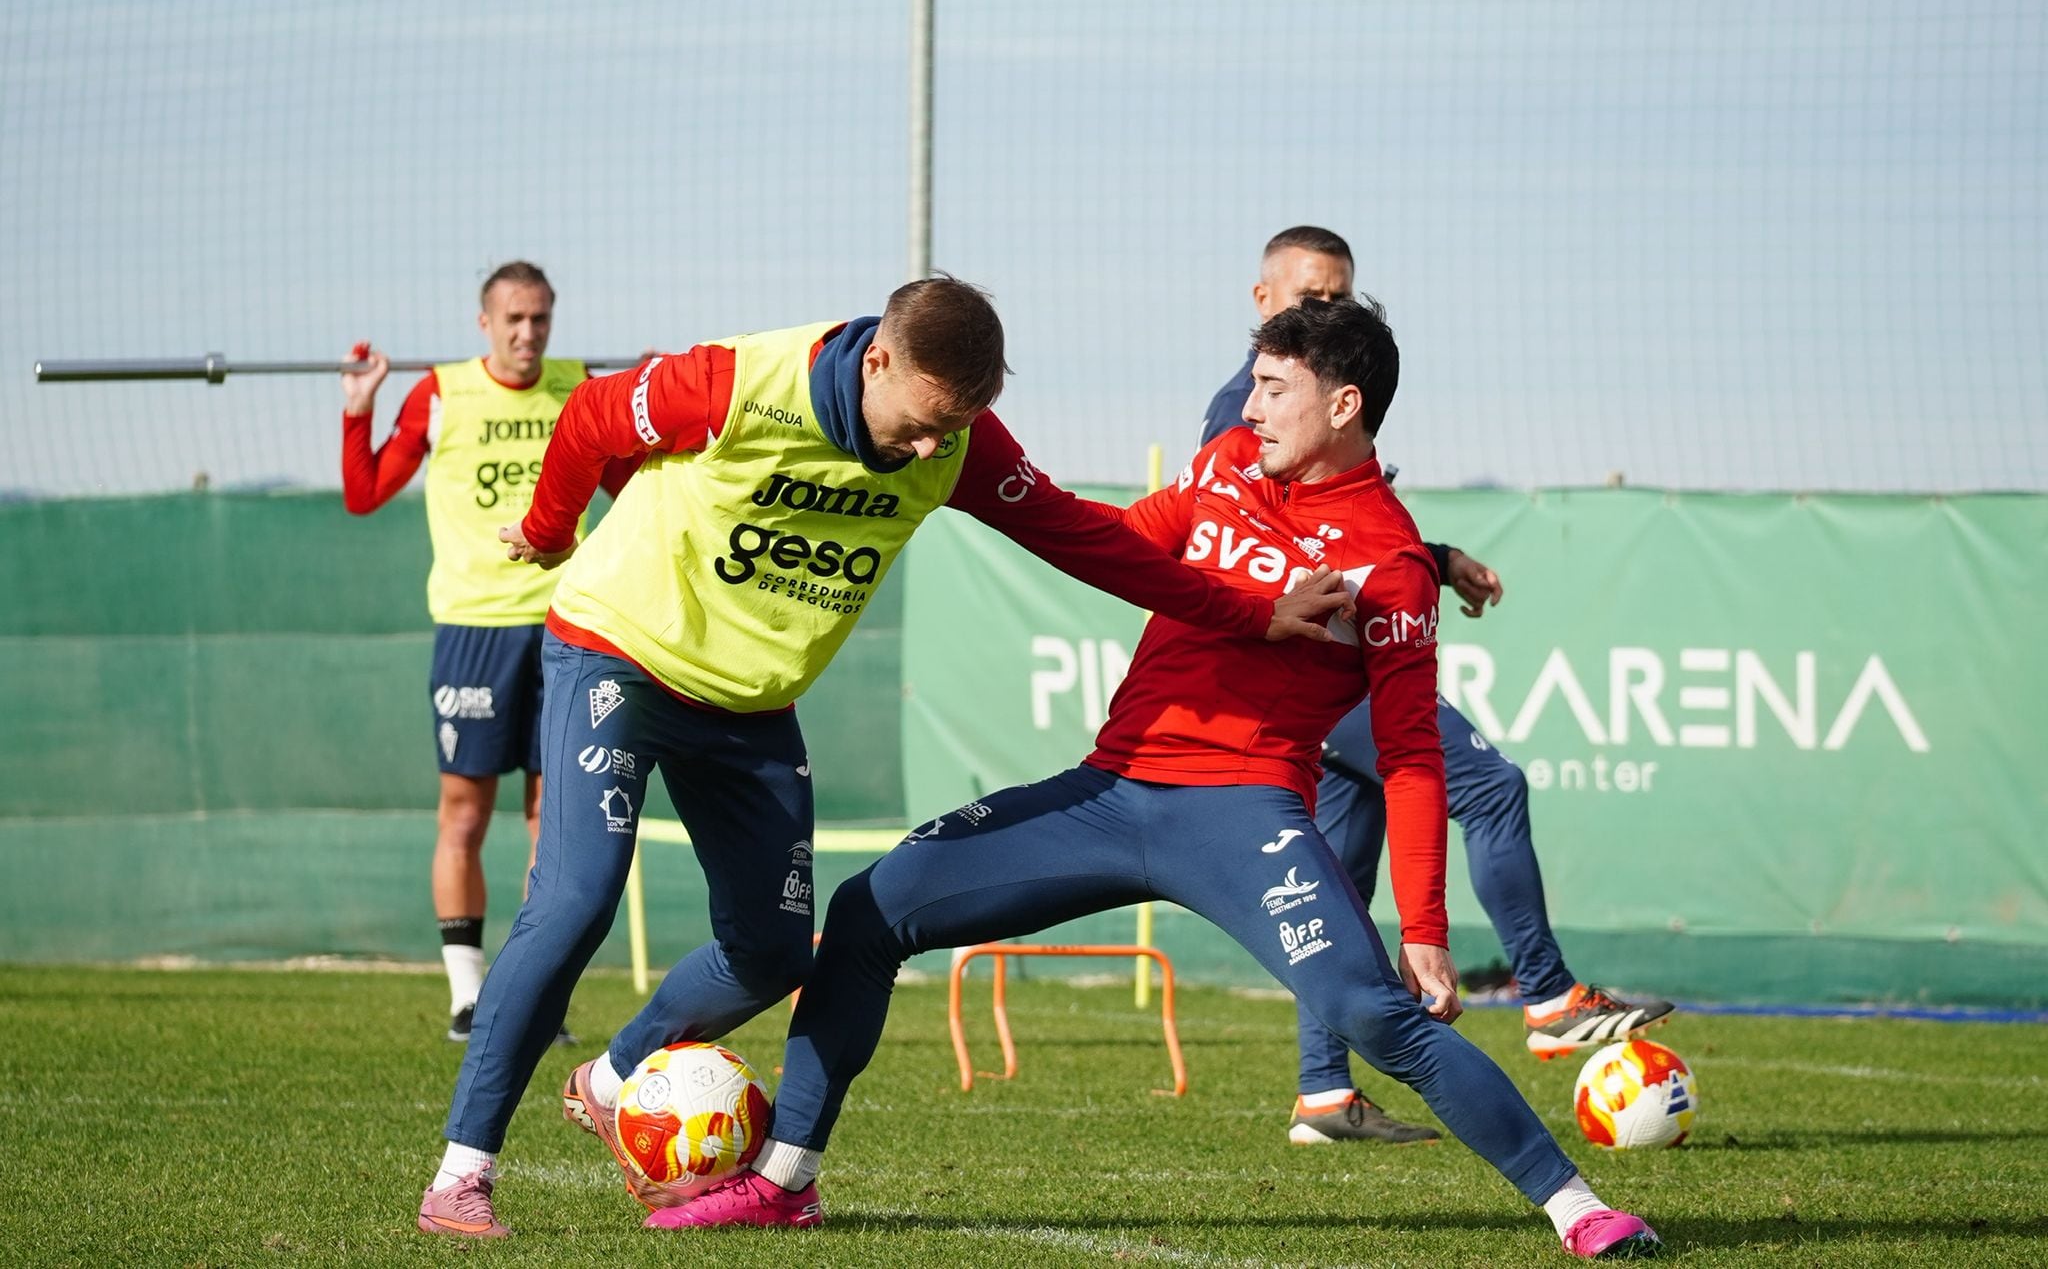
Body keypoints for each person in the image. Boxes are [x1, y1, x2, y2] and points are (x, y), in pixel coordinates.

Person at [654, 296, 1662, 1260]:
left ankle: (1578, 1209)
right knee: (868, 912)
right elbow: (1125, 548)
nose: (1249, 405)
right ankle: (786, 1182)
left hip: (1241, 818)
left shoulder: (1391, 569)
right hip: (1107, 792)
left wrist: (1428, 931)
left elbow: (1407, 752)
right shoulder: (1224, 464)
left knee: (1372, 1014)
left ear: (1342, 406)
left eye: (1273, 387)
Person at [414, 275, 1353, 1238]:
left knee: (774, 952)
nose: (928, 450)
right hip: (619, 655)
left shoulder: (959, 444)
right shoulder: (738, 382)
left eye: (954, 429)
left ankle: (612, 1081)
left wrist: (1251, 611)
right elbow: (593, 416)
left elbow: (1087, 539)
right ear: (878, 360)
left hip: (751, 704)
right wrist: (547, 527)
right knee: (575, 902)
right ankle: (462, 1173)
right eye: (921, 423)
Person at [1205, 227, 1672, 1147]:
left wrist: (1436, 557)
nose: (1326, 310)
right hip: (1318, 666)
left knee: (1338, 870)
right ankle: (1546, 994)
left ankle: (1324, 1092)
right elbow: (1260, 534)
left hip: (1328, 653)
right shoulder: (1253, 403)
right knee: (1489, 786)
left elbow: (1337, 525)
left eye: (1339, 295)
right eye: (1309, 295)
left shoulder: (1322, 395)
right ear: (1263, 303)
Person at [343, 260, 635, 1045]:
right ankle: (469, 996)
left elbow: (635, 489)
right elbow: (364, 492)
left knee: (558, 822)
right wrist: (356, 412)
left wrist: (661, 409)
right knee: (465, 814)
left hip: (569, 627)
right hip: (473, 632)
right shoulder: (439, 393)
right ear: (484, 322)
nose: (528, 333)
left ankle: (537, 994)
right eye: (513, 318)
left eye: (540, 318)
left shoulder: (582, 388)